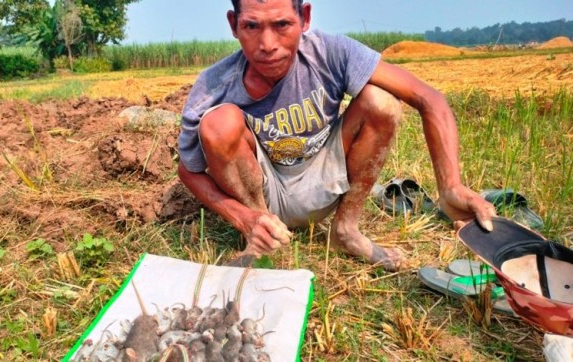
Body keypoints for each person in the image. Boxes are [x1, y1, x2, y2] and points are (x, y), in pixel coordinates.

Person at [177, 0, 497, 271]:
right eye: (251, 27)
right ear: (233, 25)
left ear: (305, 18)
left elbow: (430, 99)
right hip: (263, 189)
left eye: (282, 25)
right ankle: (263, 236)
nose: (268, 44)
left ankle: (345, 230)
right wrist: (243, 217)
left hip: (325, 177)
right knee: (218, 122)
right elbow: (187, 170)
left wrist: (451, 185)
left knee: (381, 101)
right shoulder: (215, 83)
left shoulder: (329, 53)